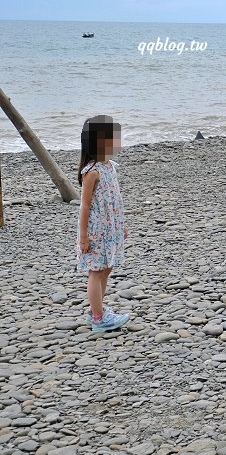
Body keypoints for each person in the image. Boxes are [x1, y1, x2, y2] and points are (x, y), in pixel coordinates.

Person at [77, 115, 130, 333]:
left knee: (107, 268)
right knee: (96, 271)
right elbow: (85, 206)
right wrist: (83, 236)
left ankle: (97, 310)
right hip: (96, 231)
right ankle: (98, 318)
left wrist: (122, 225)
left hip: (111, 228)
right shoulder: (92, 172)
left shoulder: (110, 166)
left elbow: (115, 200)